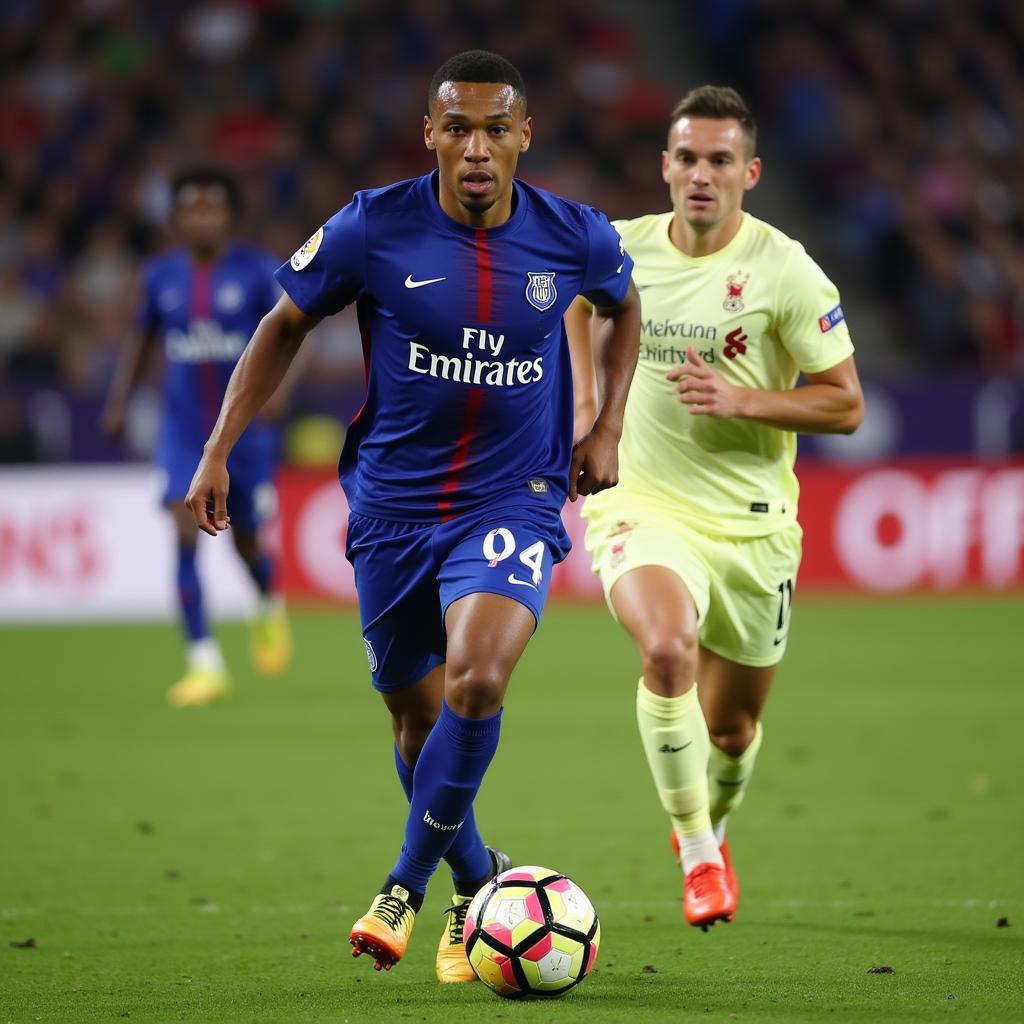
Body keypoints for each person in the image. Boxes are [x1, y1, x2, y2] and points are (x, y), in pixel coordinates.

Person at [184, 50, 639, 980]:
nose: (477, 148)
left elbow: (623, 304)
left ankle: (402, 887)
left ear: (524, 138)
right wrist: (217, 449)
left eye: (495, 129)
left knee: (477, 680)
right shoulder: (369, 228)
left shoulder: (573, 236)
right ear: (429, 134)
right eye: (458, 128)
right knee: (415, 718)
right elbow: (280, 325)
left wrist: (606, 427)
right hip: (392, 508)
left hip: (515, 494)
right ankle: (481, 885)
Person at [566, 85, 863, 930]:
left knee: (730, 734)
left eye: (720, 160)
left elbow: (845, 405)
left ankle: (714, 823)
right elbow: (581, 306)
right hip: (641, 506)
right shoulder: (618, 250)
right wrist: (589, 413)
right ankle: (697, 850)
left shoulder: (786, 270)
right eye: (687, 158)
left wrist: (744, 402)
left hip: (754, 527)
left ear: (751, 172)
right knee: (666, 653)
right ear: (665, 167)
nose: (701, 174)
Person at [102, 168, 293, 708]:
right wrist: (119, 402)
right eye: (192, 208)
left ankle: (266, 598)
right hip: (183, 431)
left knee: (246, 541)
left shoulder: (257, 271)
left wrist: (280, 391)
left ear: (230, 215)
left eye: (213, 208)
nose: (203, 217)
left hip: (246, 434)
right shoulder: (160, 276)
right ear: (176, 219)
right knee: (183, 531)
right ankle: (204, 662)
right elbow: (141, 339)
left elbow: (291, 334)